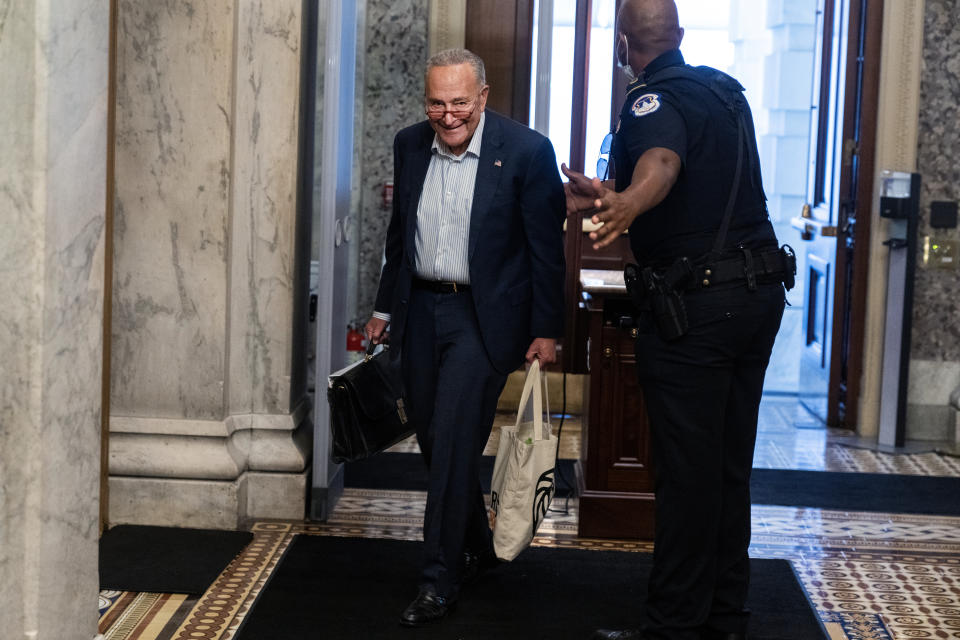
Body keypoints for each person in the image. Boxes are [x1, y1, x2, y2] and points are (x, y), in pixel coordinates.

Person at [563, 1, 793, 639]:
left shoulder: (648, 102)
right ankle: (722, 618)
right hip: (759, 296)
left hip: (700, 312)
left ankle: (671, 629)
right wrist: (619, 197)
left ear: (622, 42)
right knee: (725, 469)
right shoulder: (724, 91)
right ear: (682, 36)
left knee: (687, 479)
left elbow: (660, 164)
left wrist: (627, 205)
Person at [364, 48, 566, 627]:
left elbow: (545, 253)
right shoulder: (409, 145)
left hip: (483, 320)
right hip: (420, 312)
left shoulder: (527, 152)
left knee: (453, 442)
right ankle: (476, 546)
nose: (448, 116)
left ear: (483, 96)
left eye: (459, 103)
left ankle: (438, 579)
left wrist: (547, 330)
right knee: (435, 444)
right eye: (436, 103)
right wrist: (383, 307)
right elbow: (400, 236)